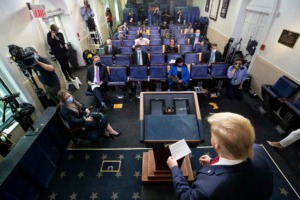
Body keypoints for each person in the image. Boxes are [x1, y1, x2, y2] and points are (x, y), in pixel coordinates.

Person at [167, 112, 273, 200]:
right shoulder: (257, 149)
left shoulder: (207, 189)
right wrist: (212, 162)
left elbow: (185, 197)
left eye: (212, 134)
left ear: (216, 145)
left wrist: (175, 168)